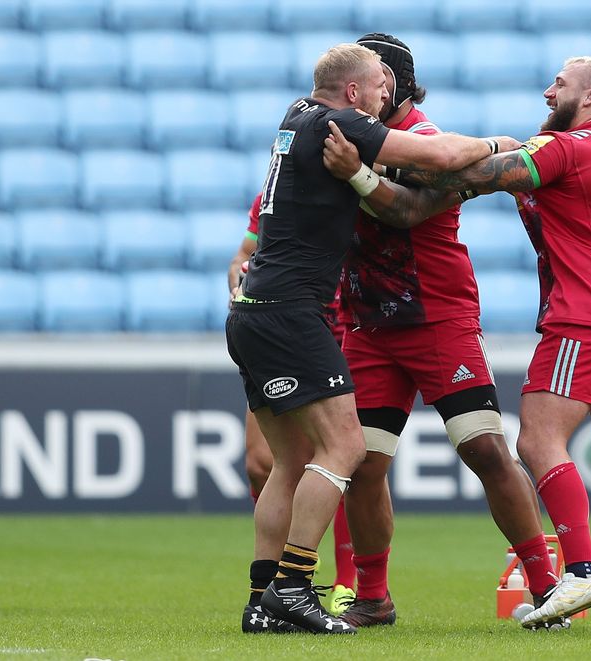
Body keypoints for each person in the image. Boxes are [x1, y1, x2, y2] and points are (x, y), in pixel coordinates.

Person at [324, 55, 591, 633]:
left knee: (538, 439)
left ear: (590, 97)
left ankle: (580, 569)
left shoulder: (566, 147)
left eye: (559, 85)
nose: (547, 93)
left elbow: (465, 178)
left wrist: (393, 165)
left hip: (587, 316)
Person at [227, 42, 518, 636]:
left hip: (252, 309)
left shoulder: (296, 115)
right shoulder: (342, 123)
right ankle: (295, 588)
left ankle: (262, 597)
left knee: (289, 462)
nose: (390, 97)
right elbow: (438, 154)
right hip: (293, 312)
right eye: (380, 89)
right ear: (356, 93)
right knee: (344, 448)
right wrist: (502, 145)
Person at [310, 33, 558, 630]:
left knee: (483, 449)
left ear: (386, 85)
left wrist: (357, 178)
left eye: (367, 79)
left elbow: (408, 210)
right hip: (369, 322)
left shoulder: (426, 141)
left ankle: (549, 587)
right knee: (364, 464)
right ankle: (373, 595)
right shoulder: (355, 133)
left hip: (438, 317)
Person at [228, 192, 356, 618]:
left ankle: (347, 583)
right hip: (290, 326)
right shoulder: (275, 194)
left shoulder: (365, 180)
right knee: (269, 463)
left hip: (340, 334)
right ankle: (277, 591)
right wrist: (238, 280)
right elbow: (244, 256)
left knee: (349, 456)